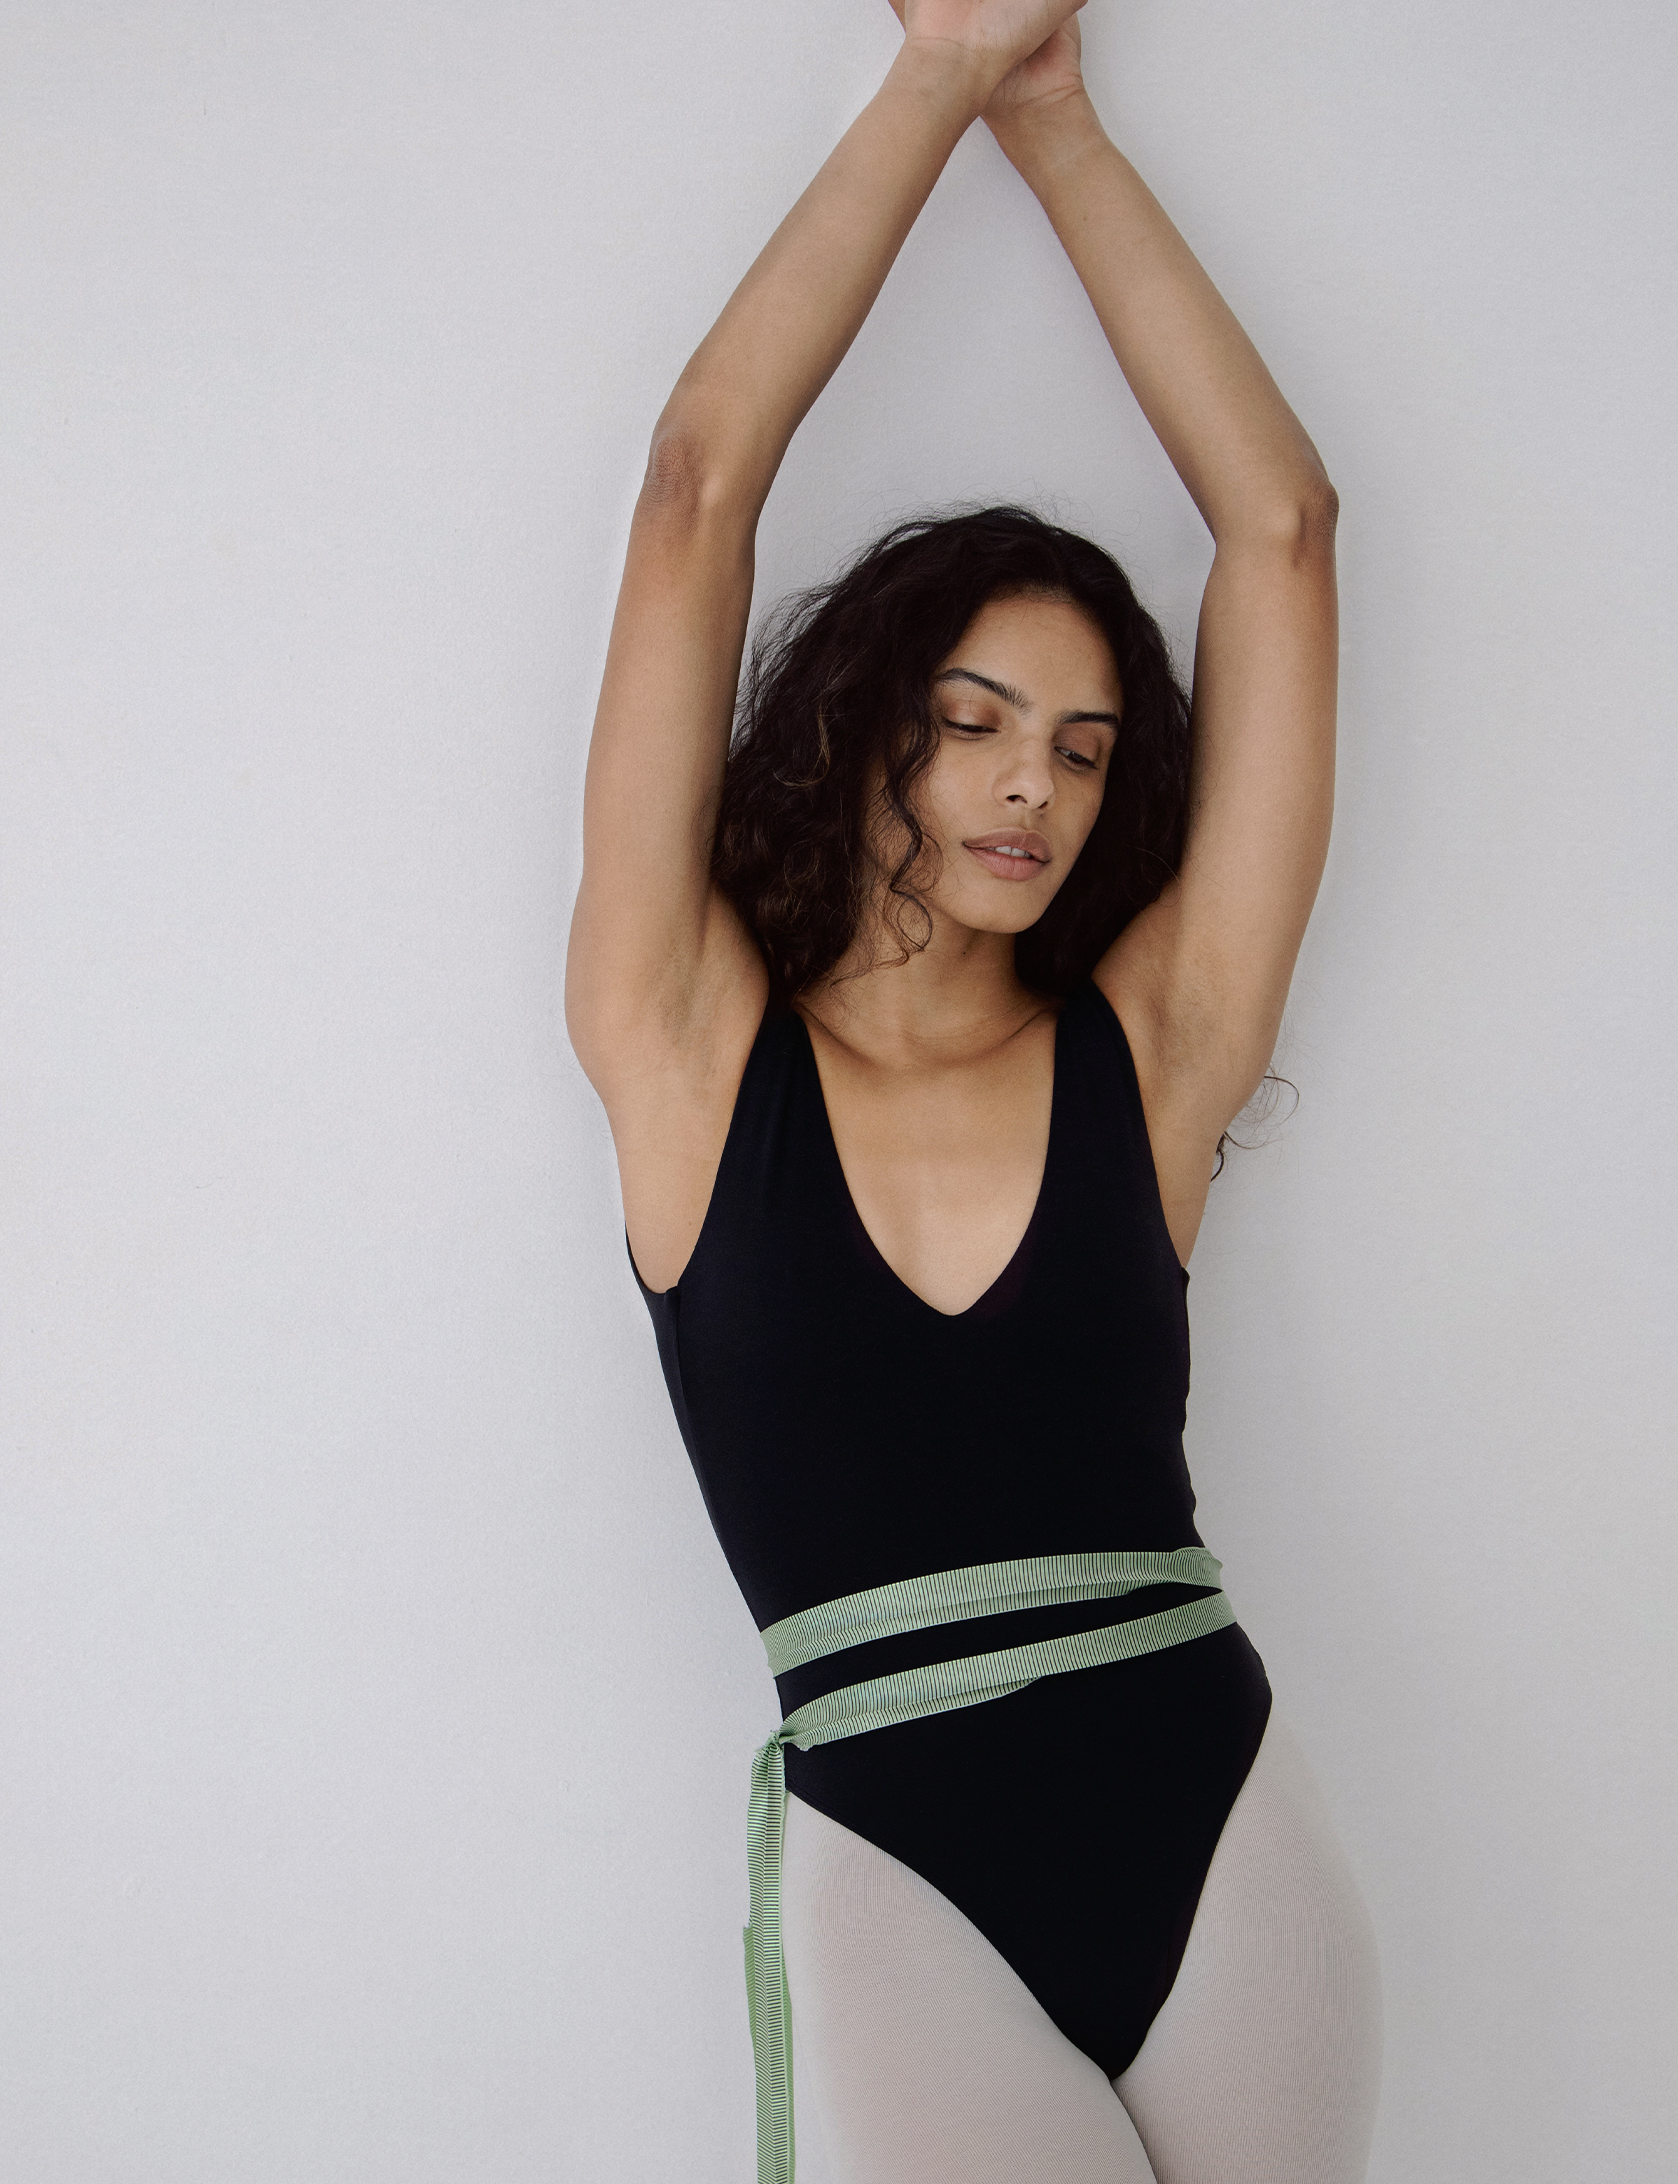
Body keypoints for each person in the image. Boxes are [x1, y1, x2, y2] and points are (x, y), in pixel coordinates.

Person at [565, 3, 1383, 2179]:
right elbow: (694, 490)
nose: (1036, 781)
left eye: (1087, 747)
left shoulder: (1152, 1048)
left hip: (1221, 1836)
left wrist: (1059, 120)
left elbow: (1284, 529)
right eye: (978, 718)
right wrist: (939, 72)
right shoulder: (686, 1042)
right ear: (867, 724)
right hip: (898, 1867)